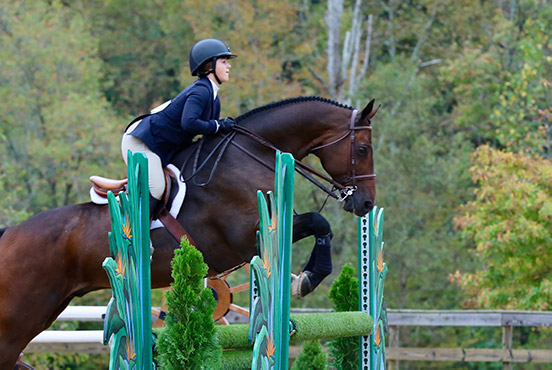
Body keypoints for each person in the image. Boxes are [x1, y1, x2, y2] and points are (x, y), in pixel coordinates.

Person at [121, 38, 237, 219]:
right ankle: (136, 237)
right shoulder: (201, 91)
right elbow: (189, 123)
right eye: (223, 61)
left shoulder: (212, 95)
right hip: (140, 142)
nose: (229, 66)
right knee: (157, 188)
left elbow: (208, 132)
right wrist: (218, 125)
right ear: (209, 66)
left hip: (160, 145)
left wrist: (222, 129)